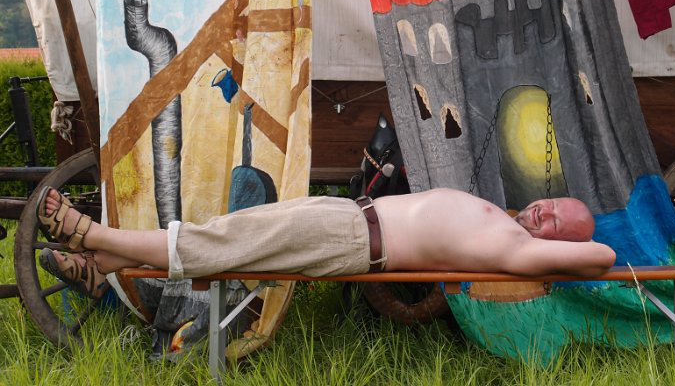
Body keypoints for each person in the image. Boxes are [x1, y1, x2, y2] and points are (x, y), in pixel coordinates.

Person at [36, 187, 616, 299]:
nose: (541, 210)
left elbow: (603, 256)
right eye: (551, 201)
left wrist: (577, 241)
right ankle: (106, 264)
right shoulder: (510, 226)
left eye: (555, 220)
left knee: (226, 240)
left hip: (357, 240)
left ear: (560, 245)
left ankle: (94, 236)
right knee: (235, 230)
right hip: (349, 215)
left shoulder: (519, 251)